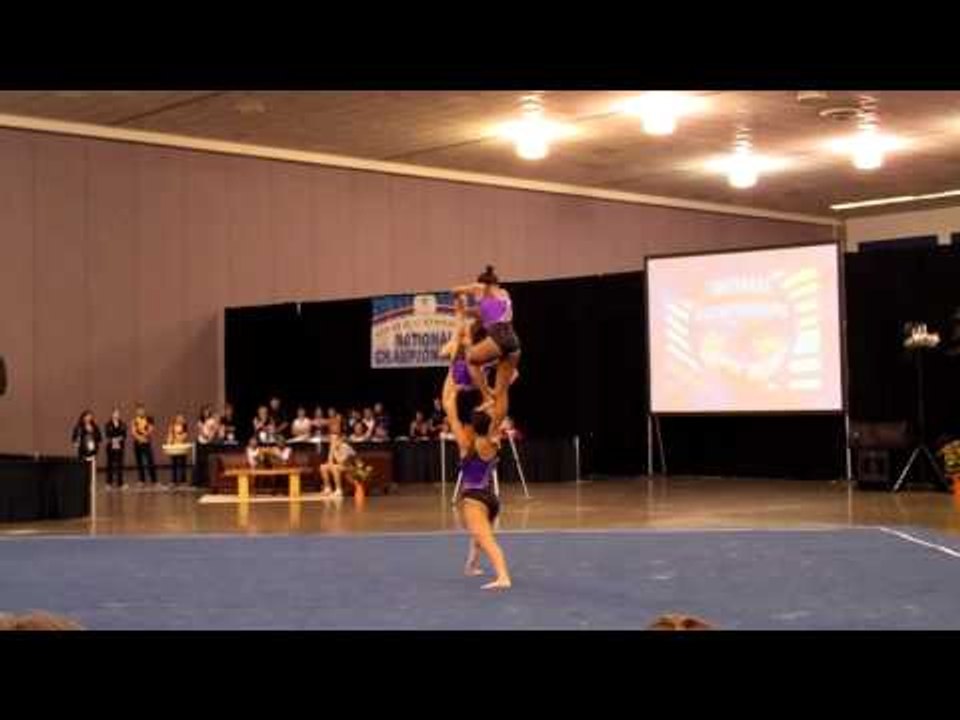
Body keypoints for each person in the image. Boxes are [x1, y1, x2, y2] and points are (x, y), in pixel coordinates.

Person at [444, 380, 511, 590]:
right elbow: (501, 410)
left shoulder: (465, 444)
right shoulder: (491, 442)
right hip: (490, 499)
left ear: (471, 426)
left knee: (486, 540)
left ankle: (503, 577)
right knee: (479, 534)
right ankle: (471, 565)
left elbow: (450, 412)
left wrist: (453, 390)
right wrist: (503, 386)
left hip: (474, 499)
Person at [453, 265, 521, 413]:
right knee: (501, 393)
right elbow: (480, 313)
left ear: (484, 284)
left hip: (499, 336)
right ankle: (495, 430)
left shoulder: (482, 288)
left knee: (470, 359)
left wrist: (458, 296)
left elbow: (455, 289)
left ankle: (486, 396)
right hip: (513, 341)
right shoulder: (504, 294)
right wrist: (463, 309)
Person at [320, 433, 357, 498]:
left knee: (335, 468)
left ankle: (338, 489)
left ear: (339, 440)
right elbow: (329, 461)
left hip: (350, 466)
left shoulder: (345, 447)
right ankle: (328, 488)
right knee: (323, 467)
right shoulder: (333, 447)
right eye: (331, 440)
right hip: (340, 465)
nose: (332, 441)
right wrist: (331, 451)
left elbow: (342, 461)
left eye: (334, 439)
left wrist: (334, 450)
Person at [131, 404, 158, 489]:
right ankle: (141, 480)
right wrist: (139, 438)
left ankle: (154, 481)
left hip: (146, 443)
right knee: (139, 462)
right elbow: (133, 432)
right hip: (137, 443)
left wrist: (144, 437)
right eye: (138, 410)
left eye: (142, 410)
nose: (140, 411)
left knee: (150, 461)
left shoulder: (149, 419)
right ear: (136, 411)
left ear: (144, 410)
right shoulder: (134, 420)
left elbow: (150, 430)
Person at [104, 408, 127, 490]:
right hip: (110, 447)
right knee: (110, 465)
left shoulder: (122, 424)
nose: (116, 415)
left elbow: (124, 435)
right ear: (112, 414)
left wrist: (119, 439)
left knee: (120, 465)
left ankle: (120, 483)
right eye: (115, 413)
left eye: (117, 413)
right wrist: (114, 439)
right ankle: (108, 483)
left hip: (120, 446)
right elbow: (107, 435)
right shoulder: (108, 424)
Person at [165, 414, 190, 489]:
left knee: (183, 465)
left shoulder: (184, 427)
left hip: (182, 447)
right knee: (174, 464)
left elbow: (184, 436)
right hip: (174, 448)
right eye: (178, 418)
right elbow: (170, 436)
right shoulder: (172, 427)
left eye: (181, 418)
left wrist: (178, 437)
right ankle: (174, 481)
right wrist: (169, 442)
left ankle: (183, 481)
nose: (180, 419)